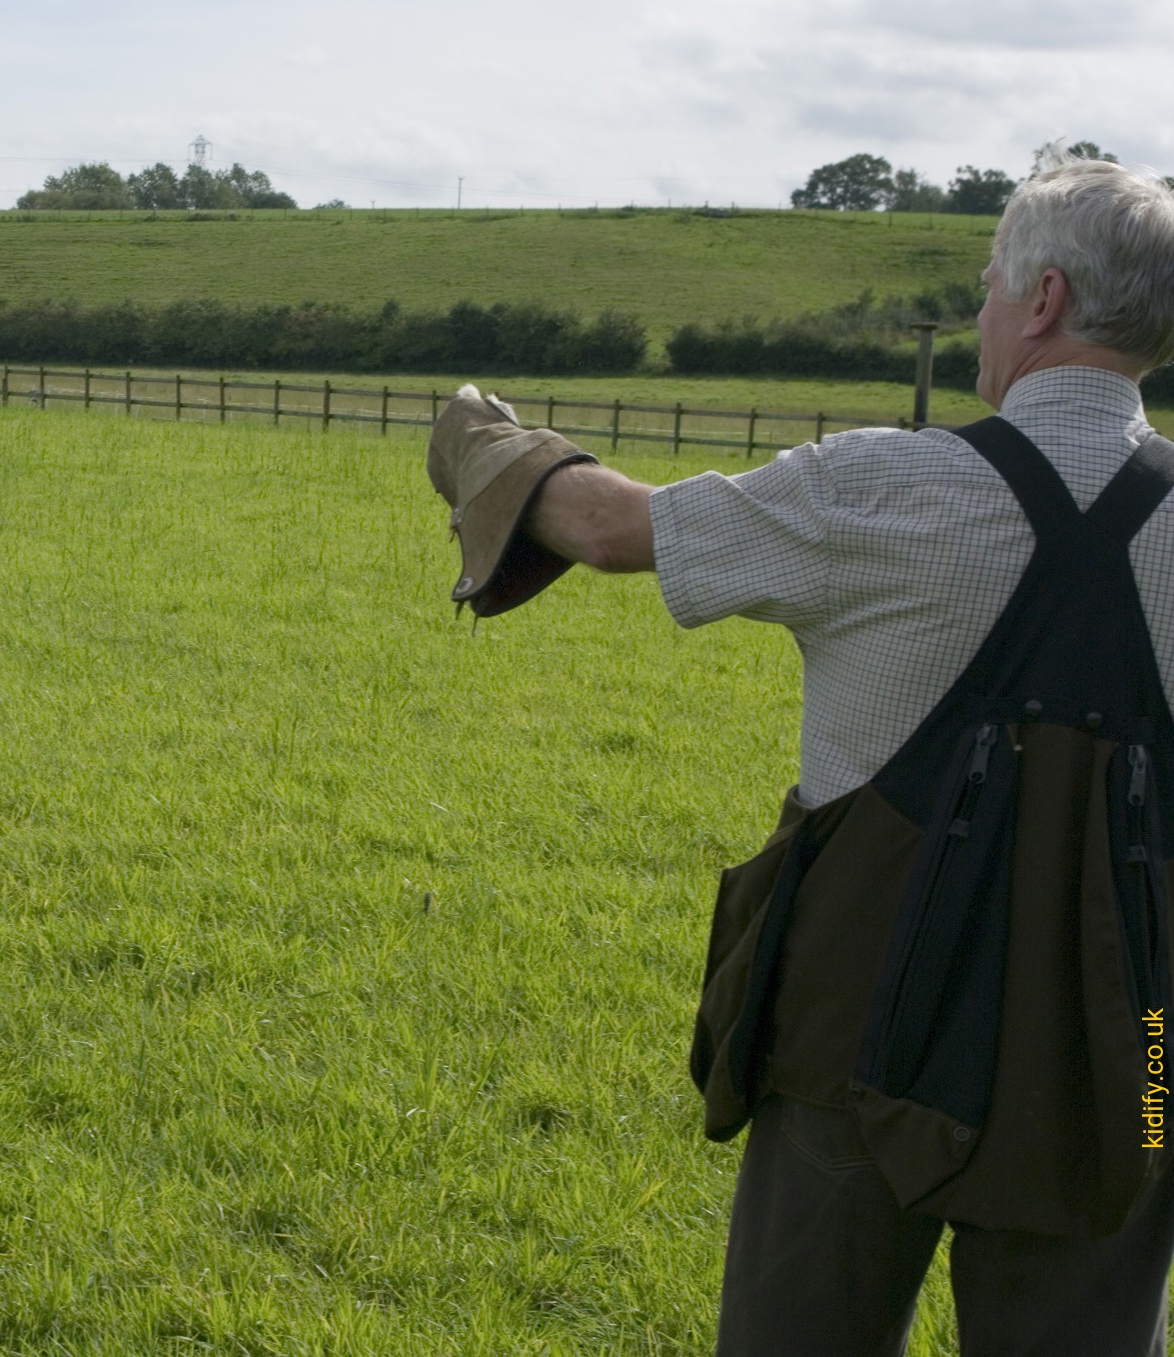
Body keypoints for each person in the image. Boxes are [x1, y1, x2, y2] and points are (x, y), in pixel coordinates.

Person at [428, 149, 1174, 1355]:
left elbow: (611, 529)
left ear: (1042, 299)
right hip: (1132, 1057)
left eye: (992, 283)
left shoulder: (885, 484)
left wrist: (485, 445)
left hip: (851, 1037)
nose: (984, 311)